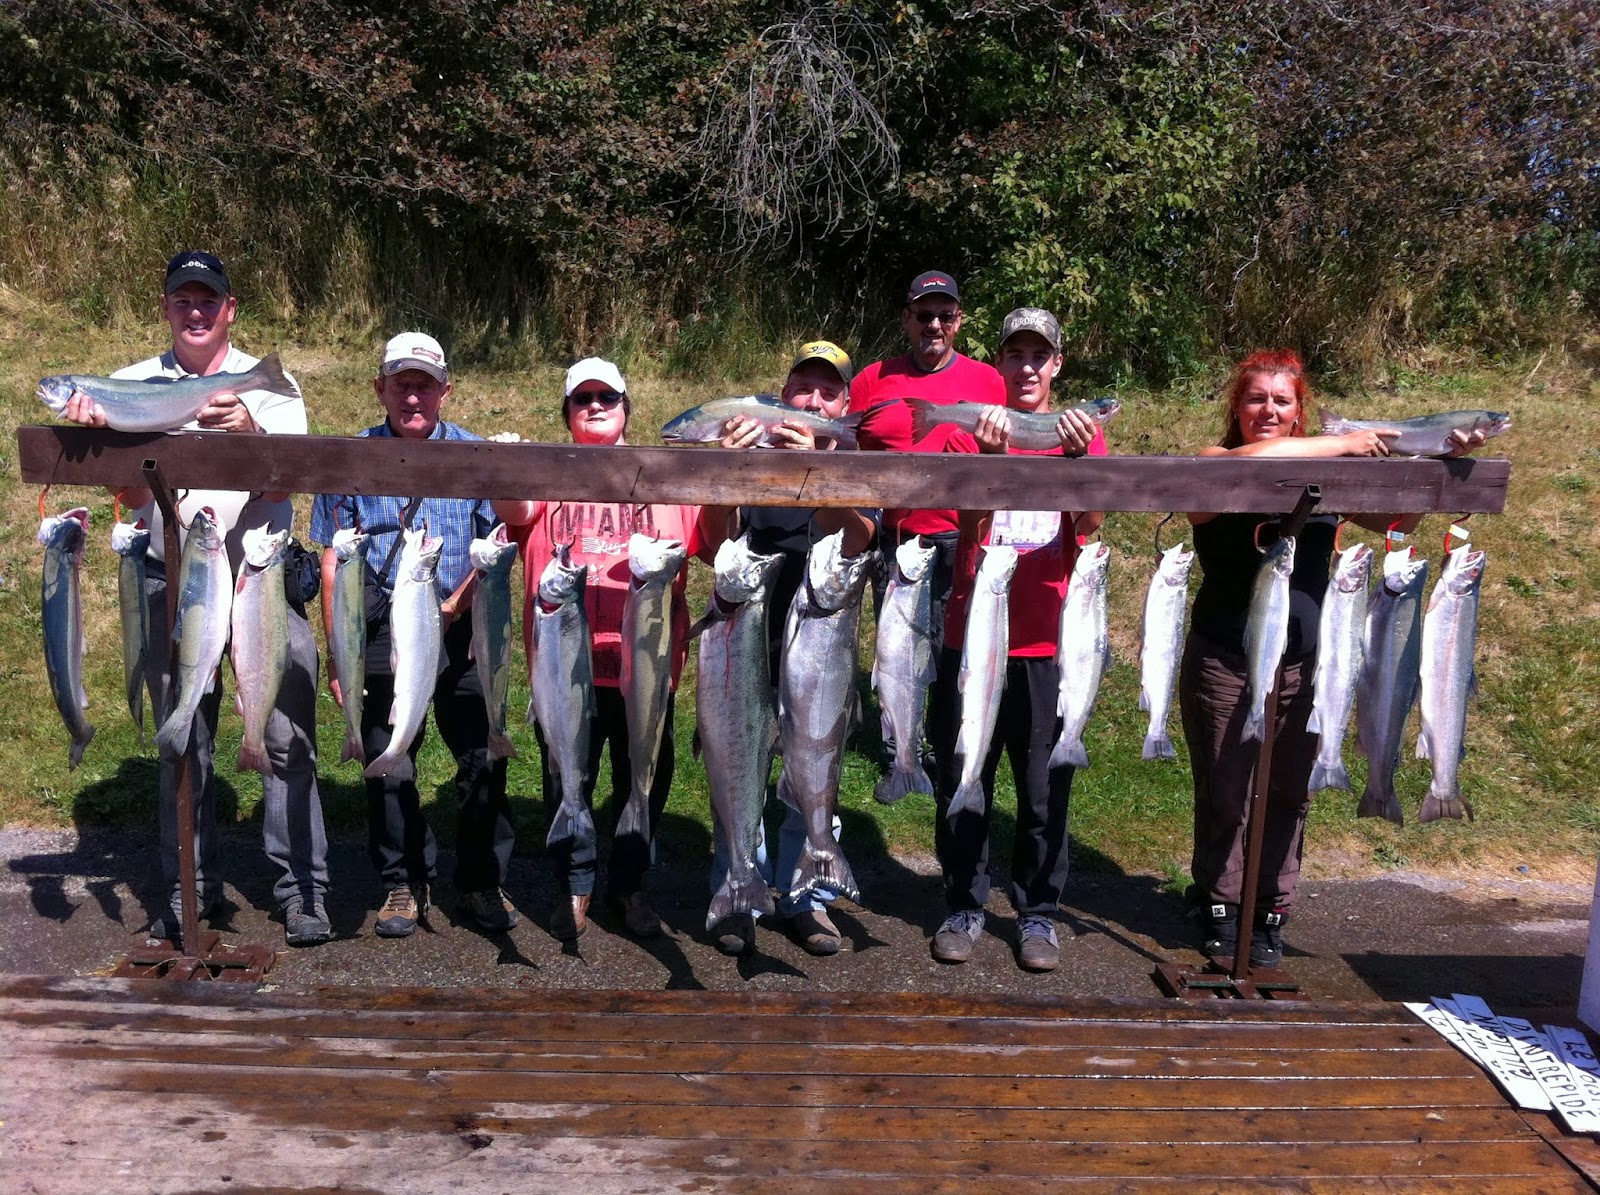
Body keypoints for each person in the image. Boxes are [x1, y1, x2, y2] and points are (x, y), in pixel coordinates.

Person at [1181, 349, 1487, 969]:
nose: (1267, 410)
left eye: (1281, 401)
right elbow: (1244, 466)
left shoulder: (1333, 481)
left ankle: (1270, 907)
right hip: (1223, 657)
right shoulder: (1213, 464)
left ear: (1299, 414)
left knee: (1290, 792)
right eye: (1256, 398)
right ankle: (1220, 903)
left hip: (1307, 667)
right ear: (1236, 408)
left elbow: (1400, 515)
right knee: (1225, 788)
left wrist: (1441, 456)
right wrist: (1341, 443)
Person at [59, 250, 329, 948]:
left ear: (230, 308)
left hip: (258, 578)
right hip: (168, 579)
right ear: (167, 307)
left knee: (286, 733)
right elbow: (119, 491)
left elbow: (285, 483)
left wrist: (250, 434)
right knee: (183, 740)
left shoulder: (273, 389)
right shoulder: (125, 385)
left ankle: (303, 890)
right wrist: (91, 436)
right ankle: (187, 891)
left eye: (209, 299)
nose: (196, 310)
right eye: (184, 299)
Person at [497, 358, 713, 941]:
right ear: (566, 413)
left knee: (642, 777)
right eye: (582, 398)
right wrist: (506, 467)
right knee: (567, 777)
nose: (595, 405)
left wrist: (719, 472)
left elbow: (714, 542)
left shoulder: (668, 479)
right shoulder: (547, 476)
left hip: (644, 668)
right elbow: (512, 512)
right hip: (568, 670)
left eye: (607, 396)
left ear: (627, 408)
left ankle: (629, 888)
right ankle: (574, 885)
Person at [311, 333, 518, 939]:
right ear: (380, 388)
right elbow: (331, 558)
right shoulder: (349, 458)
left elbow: (498, 549)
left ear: (444, 391)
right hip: (380, 624)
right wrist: (337, 651)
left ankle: (481, 880)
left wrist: (453, 607)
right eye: (400, 382)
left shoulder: (476, 456)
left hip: (459, 625)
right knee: (388, 758)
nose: (412, 395)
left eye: (423, 383)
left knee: (483, 756)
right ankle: (401, 882)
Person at [925, 308, 1104, 972]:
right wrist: (992, 464)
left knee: (1042, 788)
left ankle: (1036, 912)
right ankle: (964, 902)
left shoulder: (1081, 437)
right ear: (999, 361)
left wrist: (1082, 465)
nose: (1027, 366)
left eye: (1040, 355)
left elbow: (1089, 523)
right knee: (961, 771)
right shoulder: (969, 434)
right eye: (1016, 354)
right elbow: (962, 527)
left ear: (1057, 364)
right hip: (972, 637)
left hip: (1044, 642)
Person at [709, 341, 879, 957]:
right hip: (748, 645)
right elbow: (711, 541)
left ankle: (808, 899)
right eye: (801, 390)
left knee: (813, 767)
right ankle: (736, 884)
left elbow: (861, 537)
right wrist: (726, 474)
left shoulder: (856, 464)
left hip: (820, 652)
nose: (811, 402)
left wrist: (820, 475)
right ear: (782, 399)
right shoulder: (752, 460)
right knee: (740, 762)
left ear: (843, 406)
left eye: (826, 392)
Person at [847, 270, 1005, 636]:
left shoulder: (988, 381)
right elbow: (843, 449)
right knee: (899, 654)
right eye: (923, 316)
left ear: (958, 321)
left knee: (960, 653)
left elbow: (1004, 458)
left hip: (963, 536)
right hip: (896, 538)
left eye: (945, 316)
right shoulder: (872, 379)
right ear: (906, 319)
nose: (934, 325)